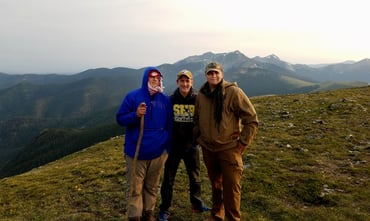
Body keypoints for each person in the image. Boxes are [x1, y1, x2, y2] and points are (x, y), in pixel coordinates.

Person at [193, 62, 258, 221]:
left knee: (231, 188)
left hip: (229, 149)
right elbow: (197, 118)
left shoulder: (233, 92)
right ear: (206, 75)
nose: (213, 76)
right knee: (216, 185)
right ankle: (217, 215)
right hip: (208, 149)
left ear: (222, 74)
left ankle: (232, 218)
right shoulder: (202, 94)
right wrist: (198, 137)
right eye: (210, 73)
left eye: (216, 73)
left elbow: (251, 119)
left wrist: (242, 143)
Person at [116, 67, 172, 221]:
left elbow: (170, 125)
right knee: (135, 188)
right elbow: (120, 118)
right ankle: (135, 216)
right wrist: (135, 115)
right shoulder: (133, 97)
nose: (156, 80)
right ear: (146, 79)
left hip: (158, 154)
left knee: (152, 187)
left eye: (158, 77)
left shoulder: (165, 100)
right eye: (152, 77)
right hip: (137, 152)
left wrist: (167, 149)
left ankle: (148, 214)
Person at [158, 70, 209, 221]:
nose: (185, 84)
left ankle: (196, 204)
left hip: (192, 146)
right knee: (168, 179)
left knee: (195, 178)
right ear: (177, 82)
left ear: (191, 82)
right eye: (182, 81)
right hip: (173, 147)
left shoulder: (198, 99)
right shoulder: (171, 100)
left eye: (187, 81)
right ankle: (165, 209)